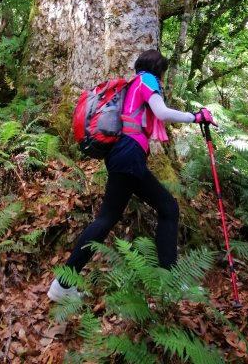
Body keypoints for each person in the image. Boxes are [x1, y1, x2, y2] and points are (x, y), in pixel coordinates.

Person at [47, 48, 216, 302]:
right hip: (129, 155)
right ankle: (167, 284)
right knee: (161, 209)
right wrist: (196, 116)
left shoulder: (130, 86)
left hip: (121, 155)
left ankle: (64, 283)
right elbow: (161, 113)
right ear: (158, 69)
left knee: (122, 215)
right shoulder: (147, 80)